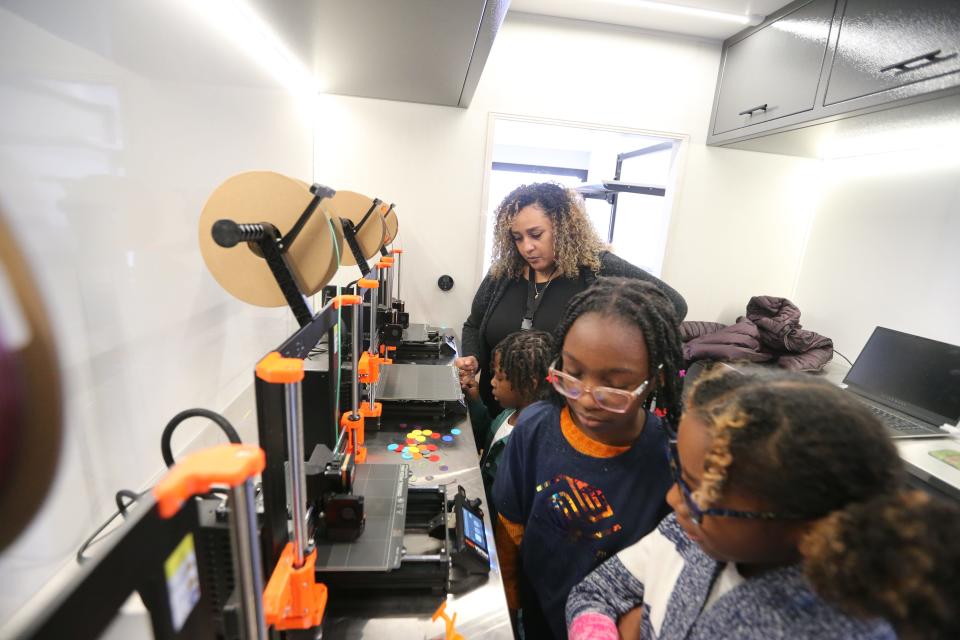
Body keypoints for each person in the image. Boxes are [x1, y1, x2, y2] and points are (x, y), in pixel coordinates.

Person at [566, 365, 960, 640]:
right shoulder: (687, 535)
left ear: (807, 527)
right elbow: (595, 592)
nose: (673, 500)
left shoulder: (833, 627)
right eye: (679, 477)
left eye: (699, 492)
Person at [493, 278, 685, 639]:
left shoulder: (669, 460)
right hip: (535, 614)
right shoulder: (534, 428)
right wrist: (509, 606)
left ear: (655, 380)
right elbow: (509, 524)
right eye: (573, 374)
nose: (585, 399)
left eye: (614, 387)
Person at [457, 182, 687, 415]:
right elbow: (474, 325)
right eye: (517, 238)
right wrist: (473, 358)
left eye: (536, 235)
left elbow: (674, 305)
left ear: (564, 227)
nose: (527, 247)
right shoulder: (503, 274)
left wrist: (617, 347)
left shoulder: (599, 269)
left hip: (564, 419)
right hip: (497, 415)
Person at [462, 329, 555, 512]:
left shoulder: (535, 439)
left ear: (531, 382)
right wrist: (475, 400)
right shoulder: (509, 414)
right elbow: (486, 438)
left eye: (500, 377)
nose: (492, 382)